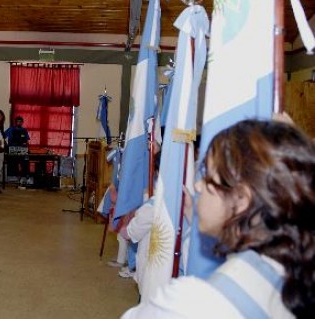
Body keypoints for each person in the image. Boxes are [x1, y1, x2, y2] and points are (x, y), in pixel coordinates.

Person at [121, 119, 315, 319]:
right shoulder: (293, 273)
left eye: (207, 175)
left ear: (241, 198)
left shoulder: (192, 304)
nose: (197, 186)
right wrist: (190, 215)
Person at [5, 116, 30, 187]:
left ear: (22, 122)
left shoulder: (24, 130)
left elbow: (27, 140)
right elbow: (2, 136)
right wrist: (7, 145)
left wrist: (27, 145)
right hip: (13, 149)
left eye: (20, 121)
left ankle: (24, 176)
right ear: (15, 122)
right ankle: (15, 177)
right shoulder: (11, 129)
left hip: (22, 149)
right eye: (17, 121)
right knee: (14, 162)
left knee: (25, 161)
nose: (19, 123)